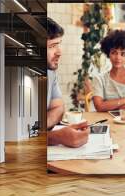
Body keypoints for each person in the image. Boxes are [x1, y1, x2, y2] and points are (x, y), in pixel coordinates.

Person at [46, 18, 89, 148]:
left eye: (58, 44)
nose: (59, 52)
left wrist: (38, 130)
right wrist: (54, 137)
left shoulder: (50, 73)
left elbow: (58, 108)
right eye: (52, 46)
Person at [92, 29, 125, 112]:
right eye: (114, 52)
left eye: (123, 54)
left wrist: (107, 106)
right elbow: (99, 106)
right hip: (107, 122)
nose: (118, 58)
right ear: (108, 53)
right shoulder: (99, 79)